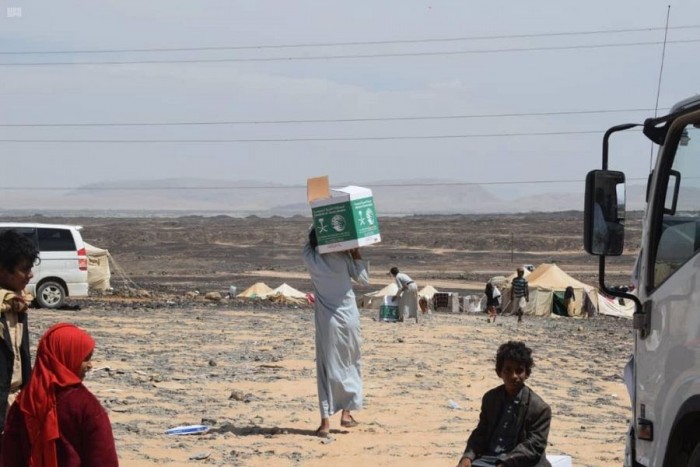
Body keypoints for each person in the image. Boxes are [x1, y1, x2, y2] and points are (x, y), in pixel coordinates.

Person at [1, 322, 119, 466]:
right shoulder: (85, 405)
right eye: (85, 358)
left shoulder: (25, 402)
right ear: (67, 356)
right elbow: (104, 459)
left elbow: (9, 457)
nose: (90, 365)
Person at [302, 229, 370, 438]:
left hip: (326, 320)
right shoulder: (343, 257)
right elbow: (363, 279)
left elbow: (309, 238)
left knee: (325, 368)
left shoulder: (310, 257)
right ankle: (346, 414)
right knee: (350, 362)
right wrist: (354, 252)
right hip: (349, 317)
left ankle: (325, 423)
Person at [456, 341, 551, 467]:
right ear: (499, 372)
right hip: (487, 459)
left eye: (519, 371)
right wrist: (467, 456)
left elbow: (534, 446)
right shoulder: (490, 399)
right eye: (508, 370)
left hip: (520, 463)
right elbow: (481, 432)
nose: (513, 376)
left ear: (527, 373)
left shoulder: (539, 409)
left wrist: (506, 463)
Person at [0, 230, 39, 438]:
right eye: (24, 269)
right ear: (3, 270)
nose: (30, 275)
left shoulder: (17, 303)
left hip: (14, 400)